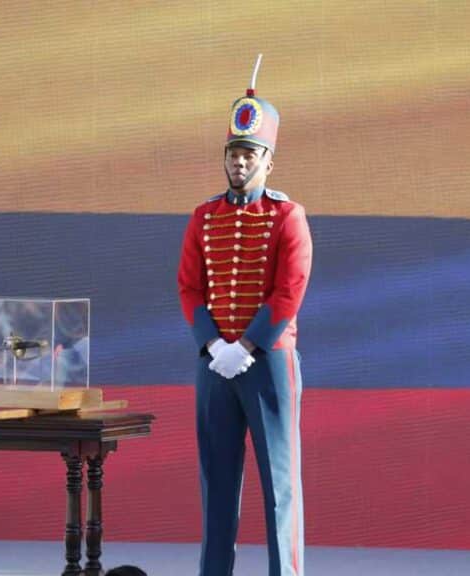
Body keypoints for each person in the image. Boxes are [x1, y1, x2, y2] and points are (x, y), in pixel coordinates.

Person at [177, 57, 312, 576]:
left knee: (280, 486)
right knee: (216, 486)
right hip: (215, 365)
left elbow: (288, 291)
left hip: (268, 364)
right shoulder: (204, 216)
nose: (239, 162)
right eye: (233, 152)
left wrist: (247, 346)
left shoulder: (287, 215)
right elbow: (190, 286)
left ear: (268, 161)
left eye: (250, 153)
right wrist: (214, 347)